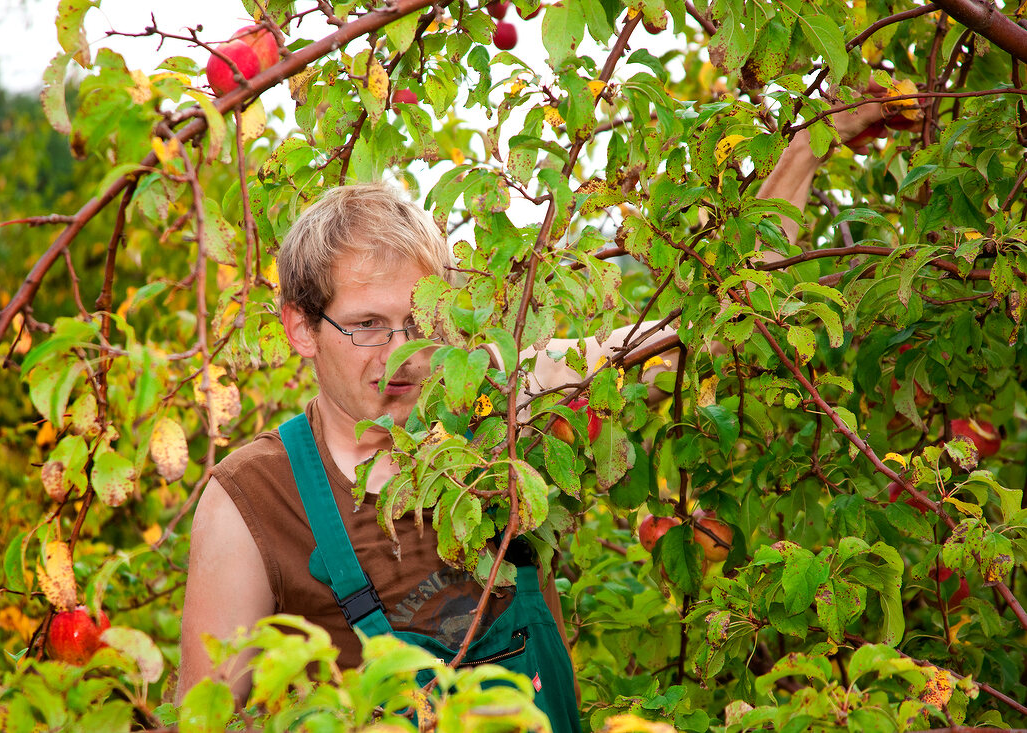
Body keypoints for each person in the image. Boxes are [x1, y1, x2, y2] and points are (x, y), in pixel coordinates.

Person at [176, 98, 890, 712]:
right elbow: (203, 717)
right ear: (300, 326)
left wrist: (807, 146)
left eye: (421, 322)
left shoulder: (493, 404)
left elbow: (696, 329)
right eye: (366, 326)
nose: (399, 354)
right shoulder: (254, 501)